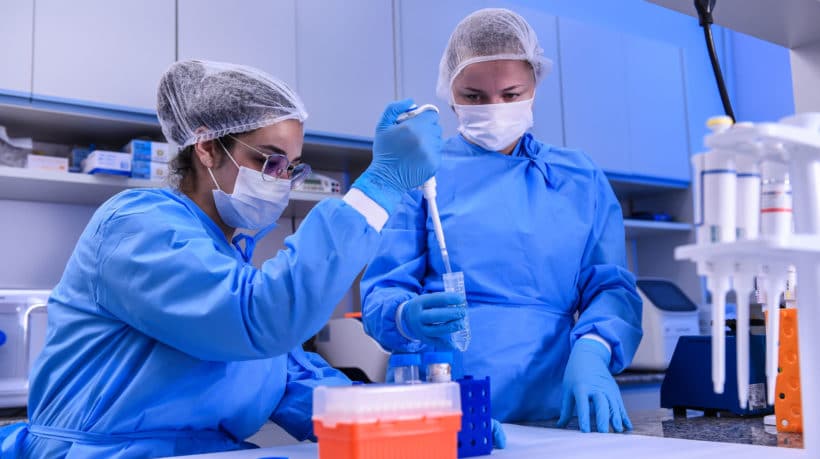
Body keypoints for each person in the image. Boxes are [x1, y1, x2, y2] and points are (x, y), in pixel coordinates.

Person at [0, 60, 453, 458]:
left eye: (291, 167)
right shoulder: (135, 226)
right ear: (207, 147)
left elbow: (296, 381)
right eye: (270, 161)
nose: (283, 181)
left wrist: (418, 424)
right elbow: (257, 318)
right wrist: (381, 185)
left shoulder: (228, 261)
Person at [360, 8, 643, 435]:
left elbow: (611, 287)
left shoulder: (578, 177)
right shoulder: (421, 173)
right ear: (449, 91)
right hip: (441, 401)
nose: (494, 108)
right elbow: (383, 288)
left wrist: (594, 348)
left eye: (511, 95)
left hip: (553, 405)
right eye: (473, 96)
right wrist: (403, 316)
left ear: (534, 88)